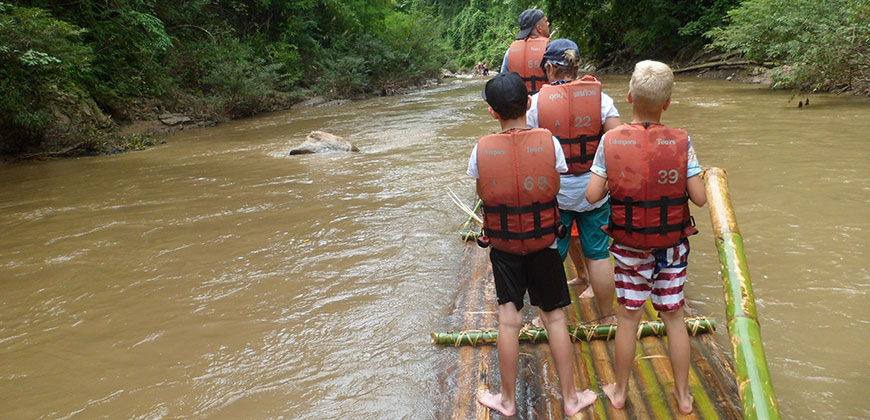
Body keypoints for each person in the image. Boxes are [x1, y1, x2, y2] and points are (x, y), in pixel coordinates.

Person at [467, 72, 597, 417]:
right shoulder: (549, 141)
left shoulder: (480, 149)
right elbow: (553, 184)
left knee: (509, 320)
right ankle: (570, 399)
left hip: (505, 248)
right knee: (554, 318)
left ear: (493, 113)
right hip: (544, 245)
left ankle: (507, 401)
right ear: (528, 104)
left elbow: (483, 192)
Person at [585, 60, 707, 415]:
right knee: (674, 317)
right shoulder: (682, 141)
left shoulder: (610, 140)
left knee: (628, 317)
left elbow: (593, 196)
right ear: (667, 103)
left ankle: (620, 392)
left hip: (629, 247)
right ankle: (683, 398)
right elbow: (698, 198)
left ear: (629, 97)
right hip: (671, 248)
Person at [526, 39, 621, 323]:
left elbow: (528, 148)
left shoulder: (535, 103)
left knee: (552, 254)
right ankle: (607, 316)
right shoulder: (601, 100)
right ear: (576, 66)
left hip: (557, 193)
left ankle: (550, 319)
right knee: (598, 254)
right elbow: (616, 141)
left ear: (551, 67)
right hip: (594, 190)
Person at [499, 8, 550, 94]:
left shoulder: (510, 51)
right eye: (546, 21)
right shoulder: (551, 49)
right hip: (546, 100)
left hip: (520, 103)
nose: (548, 24)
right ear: (539, 28)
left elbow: (503, 81)